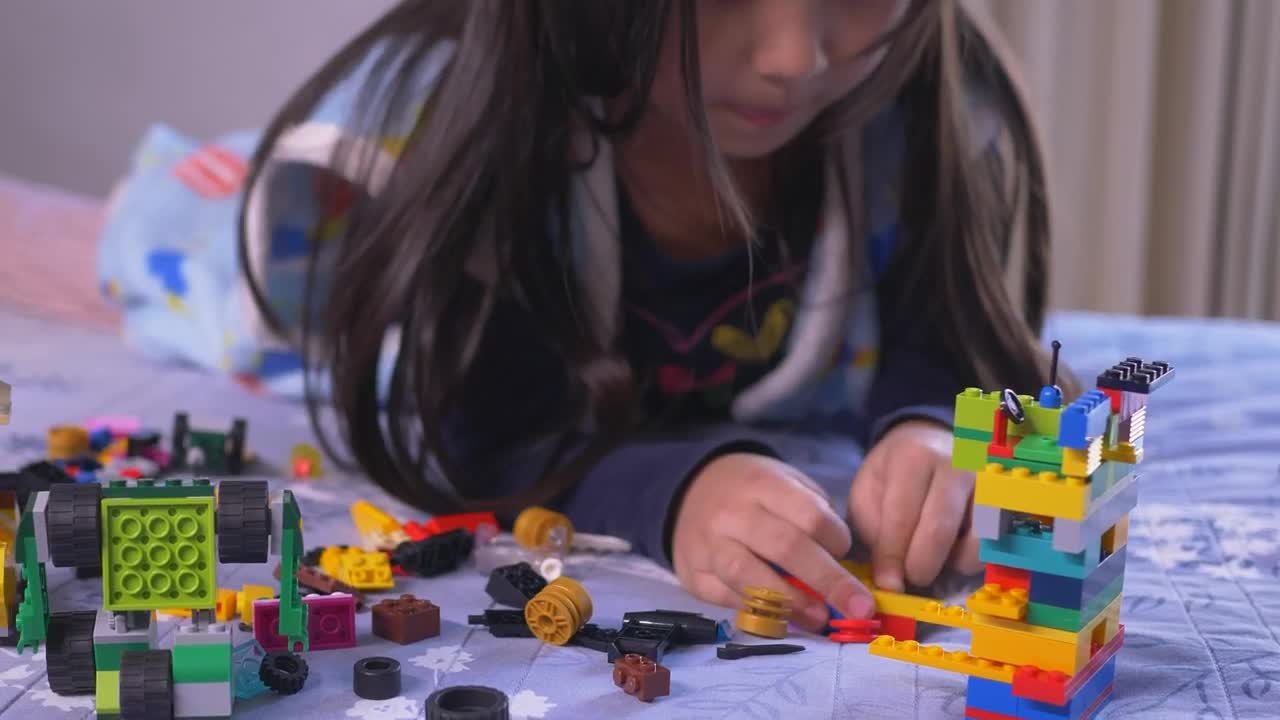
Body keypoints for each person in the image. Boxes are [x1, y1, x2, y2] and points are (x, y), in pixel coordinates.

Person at [234, 0, 1075, 632]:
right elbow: (488, 433)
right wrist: (673, 494)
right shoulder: (493, 150)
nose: (793, 56)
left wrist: (937, 430)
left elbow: (950, 334)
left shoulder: (912, 113)